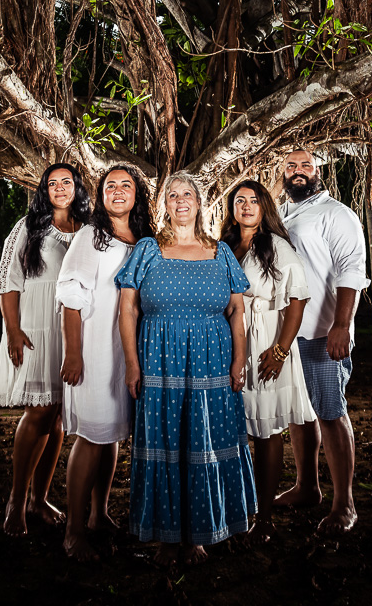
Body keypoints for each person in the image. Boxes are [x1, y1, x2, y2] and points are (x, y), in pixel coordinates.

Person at [116, 171, 257, 566]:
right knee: (164, 445)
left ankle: (199, 533)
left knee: (203, 442)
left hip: (211, 364)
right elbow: (127, 309)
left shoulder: (221, 252)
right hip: (159, 363)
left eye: (188, 194)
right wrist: (131, 364)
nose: (181, 200)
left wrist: (239, 360)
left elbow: (237, 312)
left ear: (200, 202)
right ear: (164, 204)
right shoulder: (147, 249)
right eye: (173, 194)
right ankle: (165, 536)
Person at [56, 164, 154, 561]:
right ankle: (73, 531)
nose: (117, 191)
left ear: (136, 195)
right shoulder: (90, 236)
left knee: (112, 434)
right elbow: (70, 296)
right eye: (109, 186)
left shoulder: (145, 239)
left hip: (130, 350)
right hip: (95, 349)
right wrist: (74, 352)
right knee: (91, 436)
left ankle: (99, 515)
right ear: (100, 196)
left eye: (125, 185)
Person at [0, 163, 91, 536]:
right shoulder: (28, 227)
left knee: (60, 418)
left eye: (67, 182)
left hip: (70, 332)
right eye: (53, 183)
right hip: (35, 328)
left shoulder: (86, 230)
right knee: (38, 413)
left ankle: (40, 498)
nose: (61, 188)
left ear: (77, 188)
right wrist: (13, 330)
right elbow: (7, 281)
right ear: (45, 191)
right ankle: (16, 501)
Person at [274, 150, 370, 535]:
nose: (299, 172)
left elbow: (352, 270)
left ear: (319, 171)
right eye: (292, 166)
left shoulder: (337, 214)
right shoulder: (280, 213)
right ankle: (306, 487)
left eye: (306, 166)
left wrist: (341, 325)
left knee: (330, 413)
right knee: (300, 413)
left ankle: (344, 503)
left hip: (321, 331)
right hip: (285, 334)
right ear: (283, 173)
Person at [219, 179, 314, 543]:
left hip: (266, 344)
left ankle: (266, 516)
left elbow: (297, 299)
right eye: (239, 200)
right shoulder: (223, 246)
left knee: (266, 430)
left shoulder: (275, 246)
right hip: (230, 339)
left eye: (253, 201)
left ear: (265, 208)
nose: (245, 206)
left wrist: (279, 351)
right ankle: (235, 508)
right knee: (235, 428)